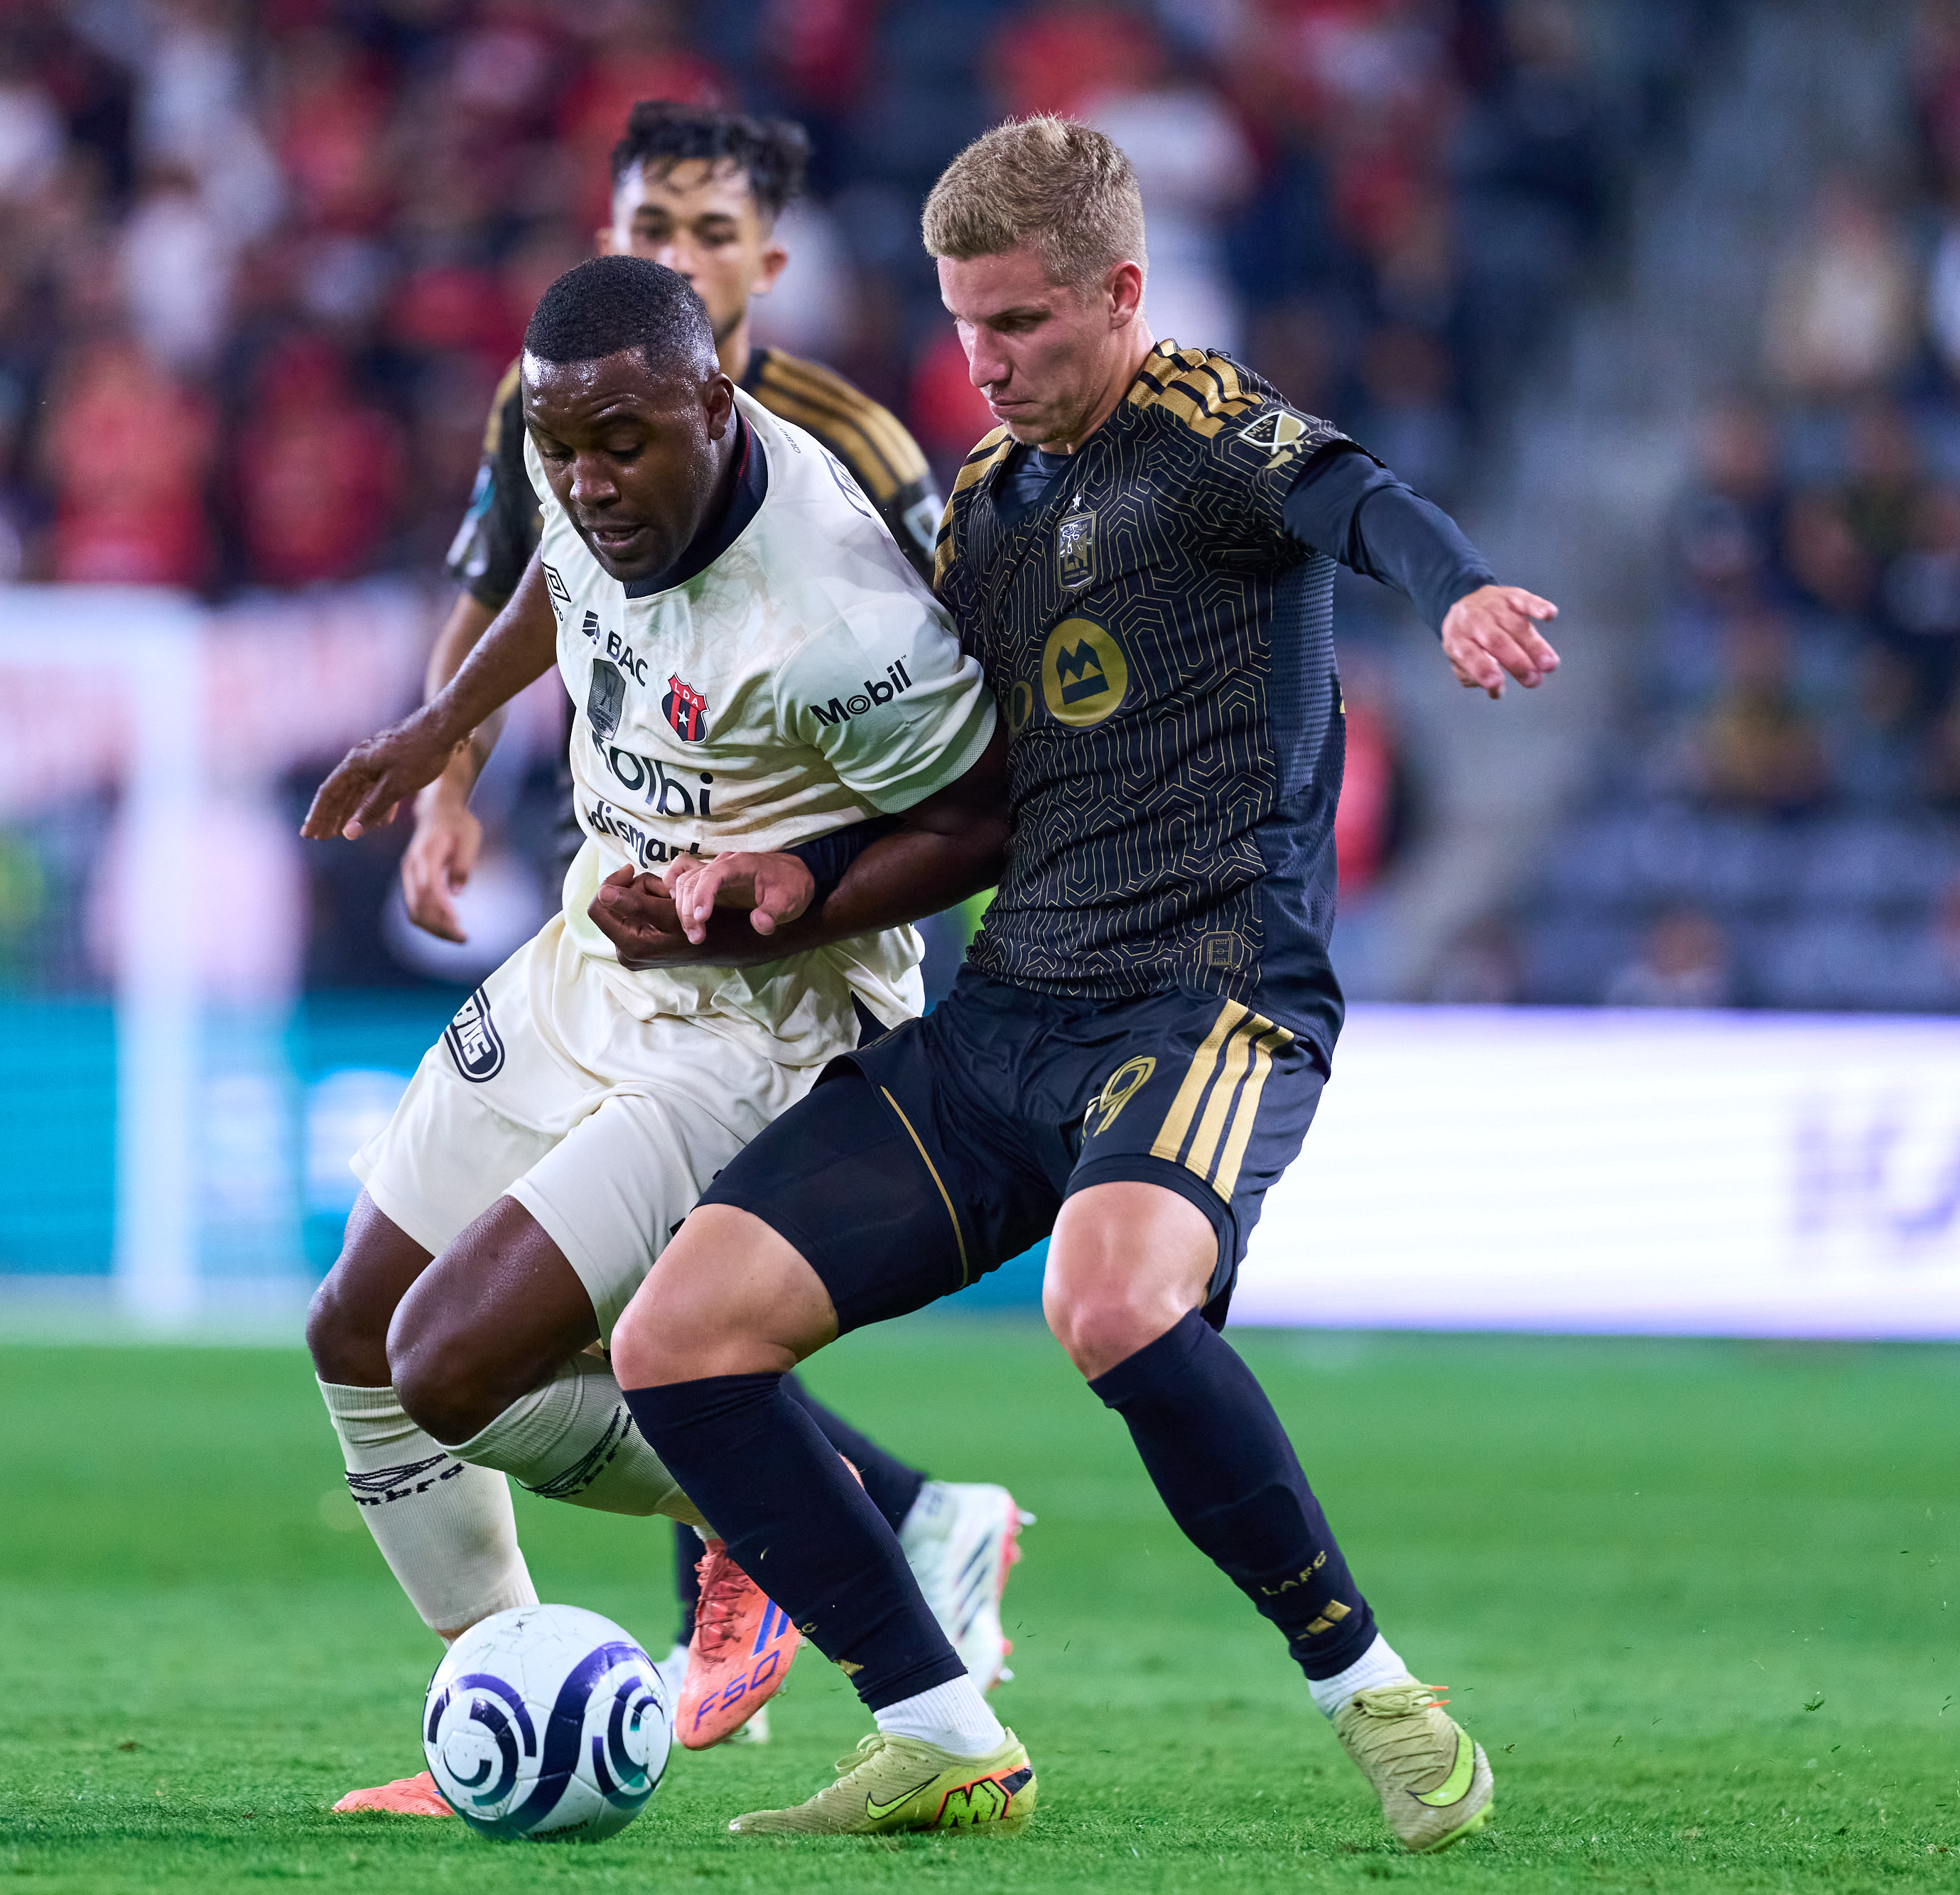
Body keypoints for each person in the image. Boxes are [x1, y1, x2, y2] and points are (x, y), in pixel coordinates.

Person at [610, 118, 1560, 1845]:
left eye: (1024, 325)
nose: (986, 361)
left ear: (1121, 295)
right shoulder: (987, 502)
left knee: (1109, 1298)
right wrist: (783, 880)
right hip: (1007, 1015)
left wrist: (1462, 585)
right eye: (966, 325)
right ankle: (933, 1724)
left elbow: (1359, 500)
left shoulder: (1198, 426)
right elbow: (969, 804)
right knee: (672, 1340)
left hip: (1206, 993)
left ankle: (1375, 1691)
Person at [296, 254, 1012, 1814]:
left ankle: (778, 1514)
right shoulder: (588, 459)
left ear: (714, 399)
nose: (586, 479)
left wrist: (762, 897)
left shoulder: (831, 607)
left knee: (450, 1363)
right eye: (561, 448)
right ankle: (506, 1692)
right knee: (355, 1333)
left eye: (619, 443)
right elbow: (562, 580)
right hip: (591, 956)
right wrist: (441, 735)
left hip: (758, 1024)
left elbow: (982, 816)